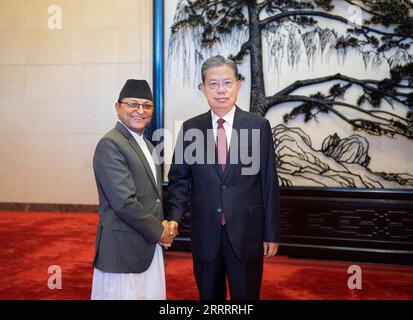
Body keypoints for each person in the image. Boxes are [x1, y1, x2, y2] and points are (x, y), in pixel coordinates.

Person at [167, 55, 281, 300]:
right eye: (213, 84)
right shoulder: (190, 129)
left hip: (247, 232)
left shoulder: (258, 126)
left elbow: (269, 182)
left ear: (238, 84)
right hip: (205, 232)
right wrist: (174, 220)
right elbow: (179, 179)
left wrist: (271, 232)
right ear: (203, 88)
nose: (221, 90)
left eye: (227, 83)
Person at [91, 79, 176, 300]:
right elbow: (123, 202)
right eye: (133, 104)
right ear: (118, 107)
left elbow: (152, 197)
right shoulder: (110, 144)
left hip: (148, 246)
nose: (140, 110)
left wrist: (162, 227)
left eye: (146, 105)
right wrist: (160, 231)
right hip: (122, 251)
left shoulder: (147, 144)